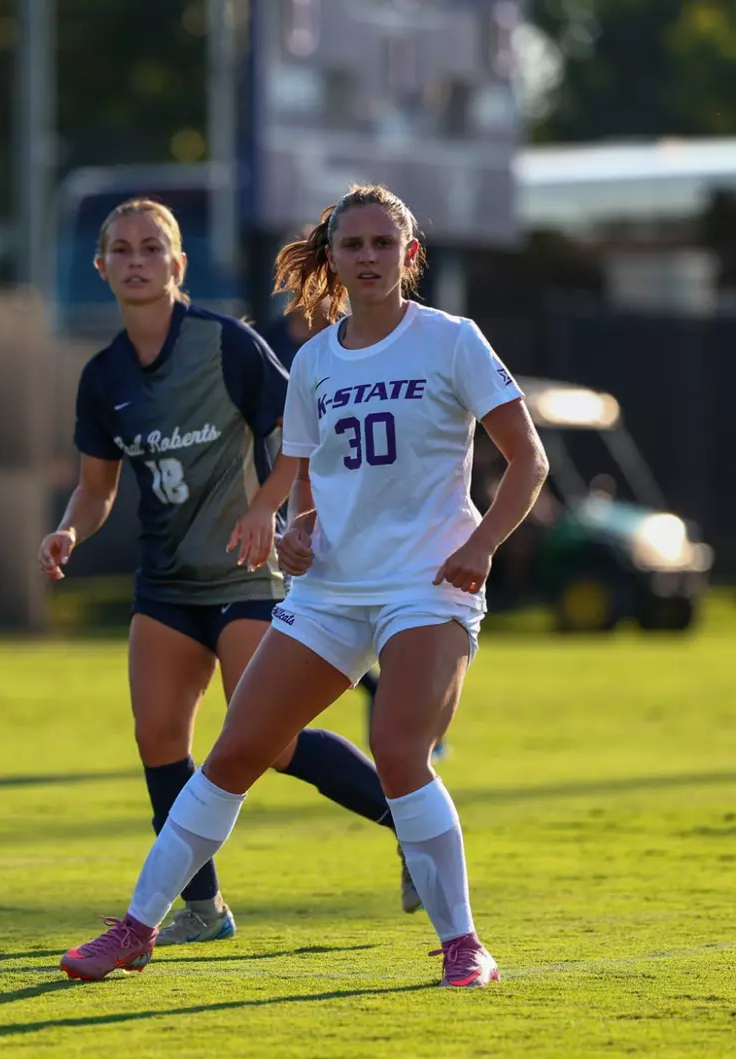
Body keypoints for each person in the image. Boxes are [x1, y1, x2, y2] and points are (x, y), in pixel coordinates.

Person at [59, 183, 550, 986]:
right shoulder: (317, 360)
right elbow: (311, 470)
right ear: (332, 259)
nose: (366, 258)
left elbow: (529, 461)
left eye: (381, 244)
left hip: (427, 586)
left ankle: (464, 945)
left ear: (409, 256)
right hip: (330, 593)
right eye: (350, 245)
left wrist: (485, 545)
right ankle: (138, 928)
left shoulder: (452, 340)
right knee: (233, 753)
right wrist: (299, 525)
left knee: (399, 752)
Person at [39, 197, 414, 948]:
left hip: (249, 576)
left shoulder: (225, 344)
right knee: (158, 742)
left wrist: (268, 509)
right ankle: (205, 910)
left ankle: (410, 822)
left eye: (153, 248)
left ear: (178, 265)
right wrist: (70, 528)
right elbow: (98, 486)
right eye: (122, 249)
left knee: (271, 743)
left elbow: (297, 431)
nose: (138, 261)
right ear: (102, 266)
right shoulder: (102, 375)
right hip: (168, 586)